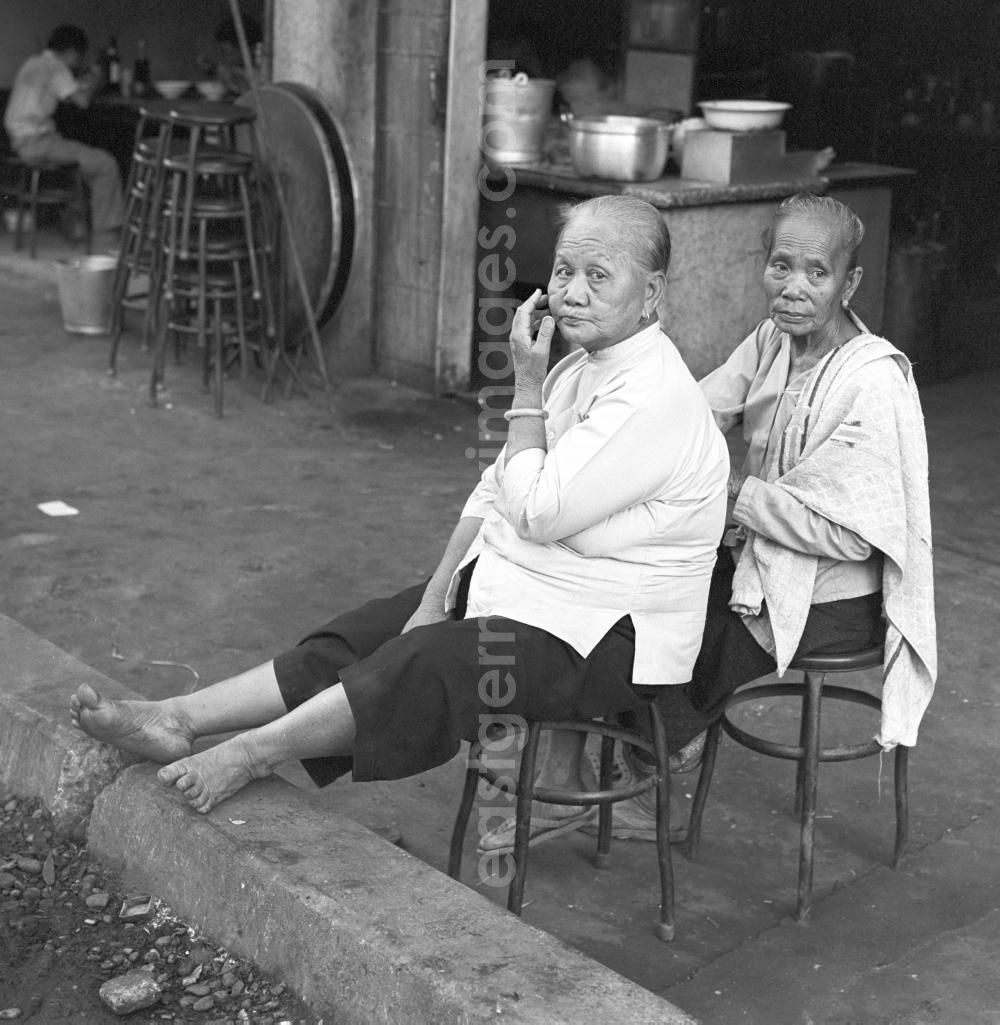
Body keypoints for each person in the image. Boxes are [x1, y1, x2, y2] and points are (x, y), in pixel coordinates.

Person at [70, 195, 730, 819]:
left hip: (611, 636)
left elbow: (534, 512)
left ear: (651, 294)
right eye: (563, 270)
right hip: (546, 591)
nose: (572, 291)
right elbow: (496, 489)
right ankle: (178, 716)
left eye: (597, 274)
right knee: (373, 628)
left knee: (434, 659)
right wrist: (435, 593)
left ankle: (251, 752)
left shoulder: (651, 393)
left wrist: (524, 381)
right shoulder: (582, 366)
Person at [482, 192, 937, 849]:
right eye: (781, 266)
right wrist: (623, 432)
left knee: (681, 634)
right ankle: (592, 761)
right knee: (620, 586)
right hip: (764, 557)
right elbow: (693, 410)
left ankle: (657, 765)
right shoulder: (771, 340)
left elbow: (849, 533)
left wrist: (733, 494)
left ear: (850, 282)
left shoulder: (873, 381)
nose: (794, 287)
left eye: (817, 271)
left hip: (835, 593)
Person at [3, 25, 124, 250]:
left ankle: (79, 222)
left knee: (85, 156)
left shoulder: (33, 63)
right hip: (38, 142)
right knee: (106, 164)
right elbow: (82, 101)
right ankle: (106, 241)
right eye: (78, 58)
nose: (77, 63)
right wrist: (96, 79)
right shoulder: (55, 67)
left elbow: (60, 92)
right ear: (71, 52)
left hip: (18, 142)